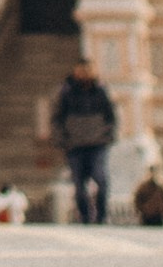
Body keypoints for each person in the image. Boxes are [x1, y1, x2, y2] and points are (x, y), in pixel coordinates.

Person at [50, 59, 118, 226]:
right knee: (79, 184)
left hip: (97, 143)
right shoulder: (66, 92)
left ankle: (101, 215)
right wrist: (62, 139)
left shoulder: (101, 90)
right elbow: (57, 117)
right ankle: (85, 217)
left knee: (101, 179)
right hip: (75, 145)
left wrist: (109, 135)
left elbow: (111, 116)